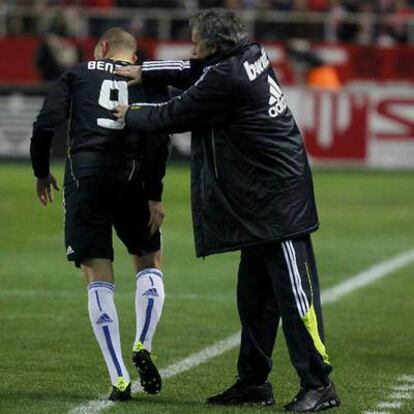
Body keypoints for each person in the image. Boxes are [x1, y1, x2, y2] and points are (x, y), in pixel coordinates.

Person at [114, 8, 341, 412]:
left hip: (278, 203)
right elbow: (191, 67)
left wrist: (129, 113)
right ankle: (253, 383)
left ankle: (319, 384)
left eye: (197, 39)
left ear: (214, 43)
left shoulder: (228, 78)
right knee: (254, 299)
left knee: (296, 297)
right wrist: (146, 72)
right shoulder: (247, 54)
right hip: (257, 202)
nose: (192, 46)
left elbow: (174, 114)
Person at [30, 28, 170, 401]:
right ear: (133, 55)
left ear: (103, 47)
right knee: (149, 261)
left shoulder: (77, 73)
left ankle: (119, 376)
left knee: (96, 272)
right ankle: (143, 342)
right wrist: (154, 195)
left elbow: (45, 125)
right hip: (134, 178)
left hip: (86, 178)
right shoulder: (145, 76)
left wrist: (41, 172)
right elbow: (160, 137)